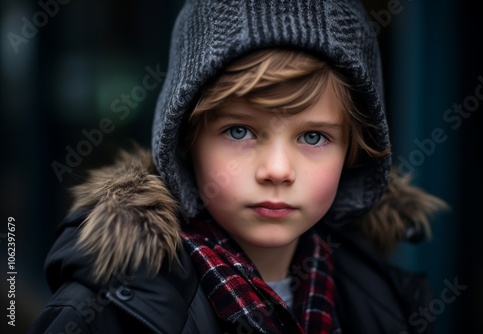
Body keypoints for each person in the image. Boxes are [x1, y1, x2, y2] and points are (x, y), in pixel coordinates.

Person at [29, 0, 448, 333]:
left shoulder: (384, 302)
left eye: (314, 137)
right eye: (240, 131)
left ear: (352, 153)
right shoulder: (103, 312)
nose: (278, 170)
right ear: (186, 138)